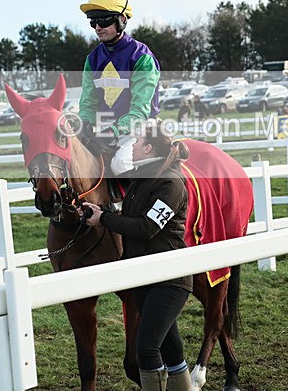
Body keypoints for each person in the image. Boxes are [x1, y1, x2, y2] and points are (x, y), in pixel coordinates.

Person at [84, 122, 193, 390]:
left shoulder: (172, 183)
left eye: (136, 142)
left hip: (169, 279)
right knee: (170, 349)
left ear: (148, 148)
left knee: (145, 350)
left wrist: (106, 219)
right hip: (146, 276)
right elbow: (134, 220)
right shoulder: (145, 178)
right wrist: (99, 217)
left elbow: (148, 227)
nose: (131, 146)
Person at [77, 0, 161, 157]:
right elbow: (88, 102)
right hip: (104, 131)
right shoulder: (92, 59)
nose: (98, 27)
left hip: (141, 130)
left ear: (122, 20)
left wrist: (113, 131)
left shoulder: (141, 57)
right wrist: (84, 122)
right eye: (93, 22)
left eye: (104, 20)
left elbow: (140, 110)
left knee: (120, 163)